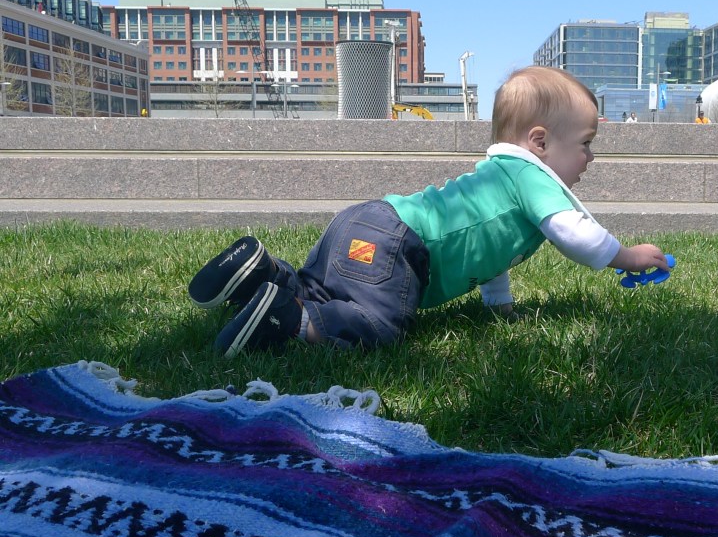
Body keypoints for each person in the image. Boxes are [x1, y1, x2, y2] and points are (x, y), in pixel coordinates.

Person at [189, 66, 670, 356]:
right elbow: (574, 233)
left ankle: (266, 275)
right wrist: (627, 256)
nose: (590, 158)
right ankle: (287, 319)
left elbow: (491, 251)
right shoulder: (534, 177)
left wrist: (500, 307)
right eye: (586, 143)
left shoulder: (503, 177)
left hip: (367, 221)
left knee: (324, 288)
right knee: (378, 325)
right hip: (398, 247)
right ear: (540, 142)